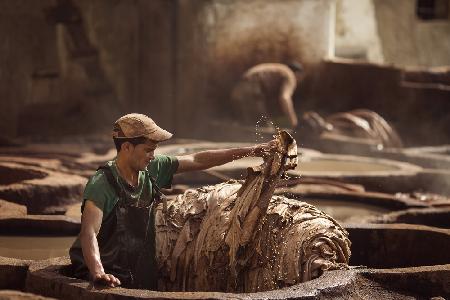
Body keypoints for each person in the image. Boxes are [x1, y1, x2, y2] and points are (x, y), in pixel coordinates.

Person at [69, 113, 276, 289]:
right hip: (98, 268)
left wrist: (253, 150)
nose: (152, 156)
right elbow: (89, 232)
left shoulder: (151, 169)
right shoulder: (102, 183)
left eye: (154, 150)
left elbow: (197, 160)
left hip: (133, 265)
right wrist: (98, 272)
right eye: (148, 150)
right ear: (126, 148)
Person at [230, 62, 304, 128]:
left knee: (247, 125)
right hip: (252, 91)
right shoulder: (290, 75)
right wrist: (294, 122)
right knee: (263, 126)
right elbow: (285, 98)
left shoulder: (278, 69)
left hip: (237, 91)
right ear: (297, 73)